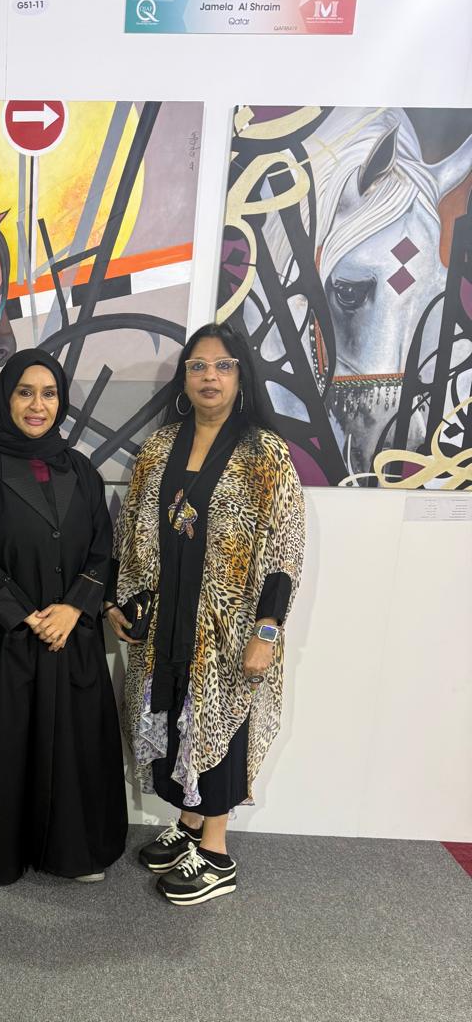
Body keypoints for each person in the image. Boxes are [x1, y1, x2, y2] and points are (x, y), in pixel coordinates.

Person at [107, 322, 305, 906]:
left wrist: (267, 630)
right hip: (167, 616)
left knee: (218, 724)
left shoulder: (264, 451)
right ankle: (190, 826)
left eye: (222, 365)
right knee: (173, 719)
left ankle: (216, 855)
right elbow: (131, 528)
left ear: (241, 376)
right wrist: (119, 600)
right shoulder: (160, 446)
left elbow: (285, 546)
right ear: (184, 377)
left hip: (229, 624)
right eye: (197, 366)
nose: (209, 377)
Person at [0, 349, 127, 885]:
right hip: (7, 640)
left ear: (61, 402)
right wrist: (25, 615)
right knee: (10, 742)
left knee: (74, 743)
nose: (37, 405)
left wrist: (73, 606)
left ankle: (74, 852)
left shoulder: (83, 471)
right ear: (6, 398)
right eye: (25, 392)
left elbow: (102, 549)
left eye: (48, 394)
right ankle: (8, 853)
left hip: (71, 633)